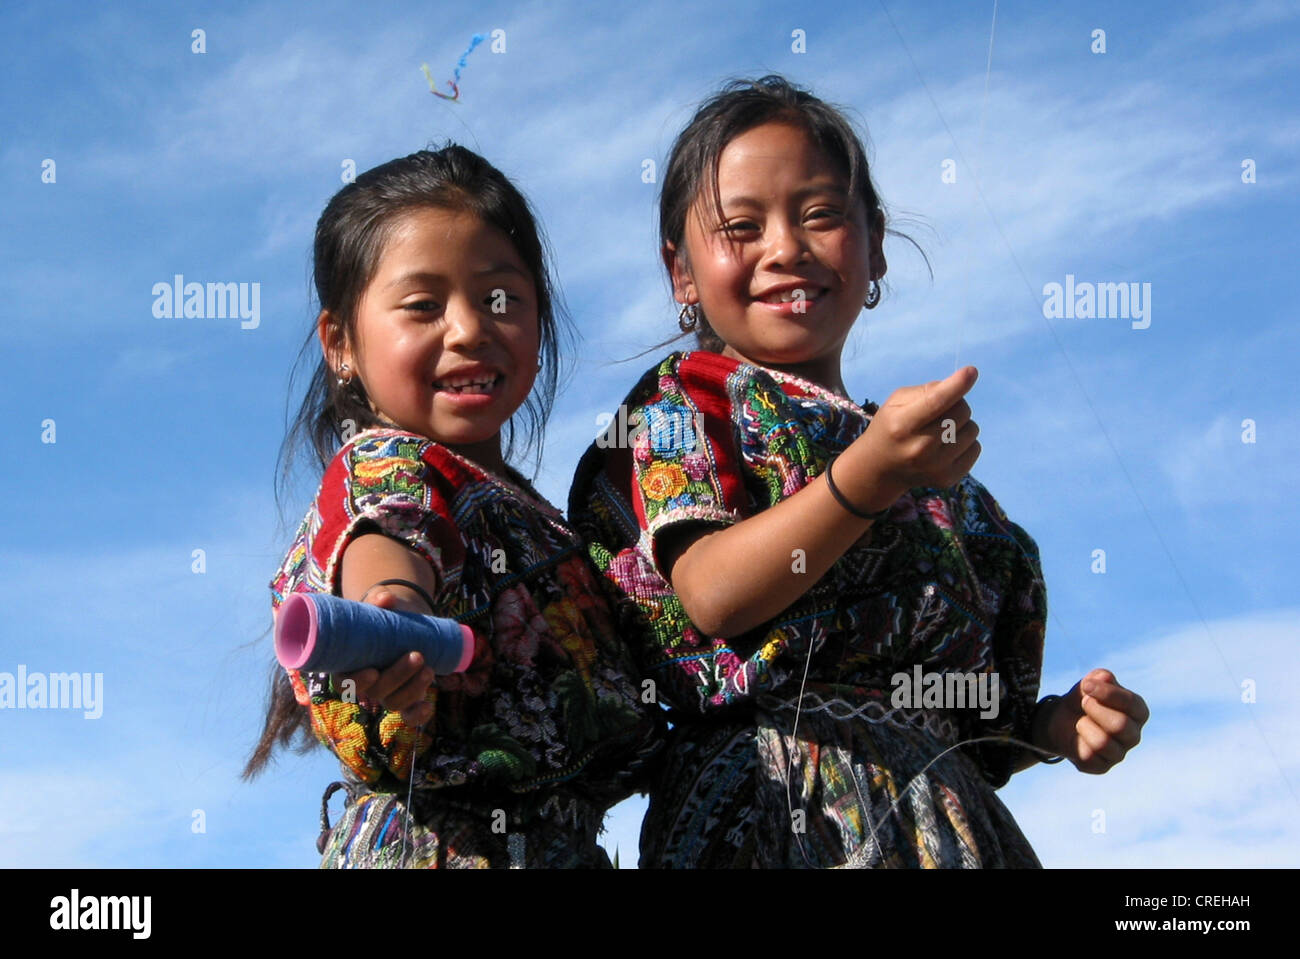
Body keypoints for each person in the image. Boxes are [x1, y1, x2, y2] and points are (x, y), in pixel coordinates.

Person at [569, 75, 1148, 868]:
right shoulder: (684, 408)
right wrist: (861, 481)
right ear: (682, 273)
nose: (786, 248)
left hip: (952, 831)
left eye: (821, 215)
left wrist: (1053, 727)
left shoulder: (944, 484)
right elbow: (711, 592)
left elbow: (975, 725)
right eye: (741, 226)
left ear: (873, 244)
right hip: (771, 814)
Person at [243, 144, 659, 868]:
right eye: (424, 305)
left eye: (499, 297)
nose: (469, 328)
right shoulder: (384, 465)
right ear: (339, 342)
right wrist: (392, 611)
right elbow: (388, 533)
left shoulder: (535, 519)